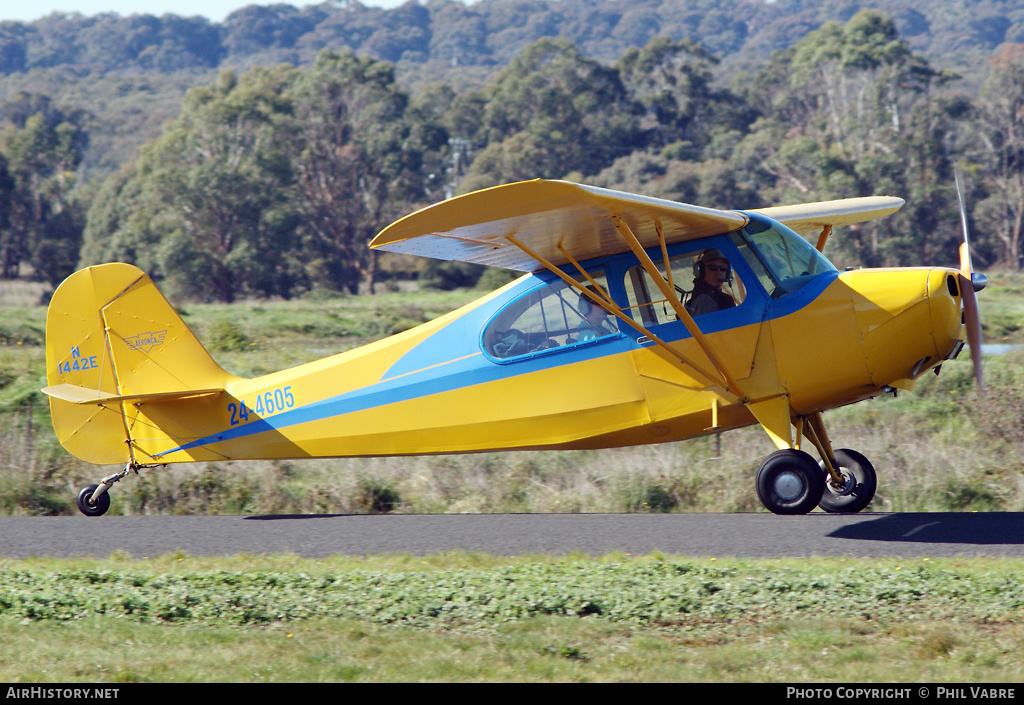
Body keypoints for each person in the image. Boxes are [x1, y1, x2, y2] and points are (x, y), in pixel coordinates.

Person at [685, 249, 737, 316]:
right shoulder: (704, 300)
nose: (718, 272)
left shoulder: (719, 297)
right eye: (712, 267)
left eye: (723, 268)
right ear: (701, 271)